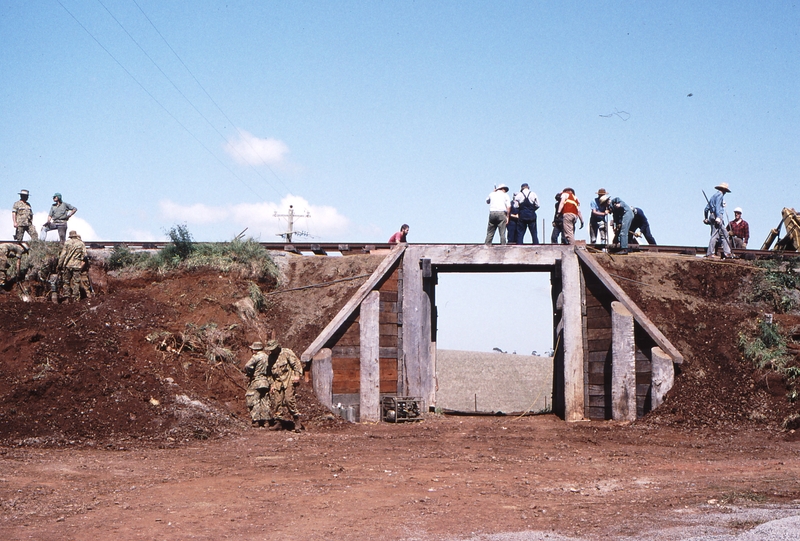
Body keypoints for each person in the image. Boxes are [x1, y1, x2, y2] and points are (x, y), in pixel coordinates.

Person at [267, 339, 304, 431]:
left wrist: (297, 375)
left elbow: (296, 364)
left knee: (289, 400)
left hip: (288, 380)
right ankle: (278, 422)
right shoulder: (270, 358)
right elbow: (269, 373)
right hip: (278, 382)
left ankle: (296, 421)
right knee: (277, 402)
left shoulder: (287, 353)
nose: (272, 351)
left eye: (273, 349)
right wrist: (272, 385)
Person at [243, 341, 274, 427]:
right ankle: (266, 421)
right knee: (265, 400)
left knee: (253, 399)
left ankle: (256, 420)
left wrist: (250, 373)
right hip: (266, 381)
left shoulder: (256, 357)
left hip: (257, 381)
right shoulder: (268, 357)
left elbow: (247, 366)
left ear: (255, 350)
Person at [704, 182, 733, 259]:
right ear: (724, 190)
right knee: (718, 234)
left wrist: (706, 218)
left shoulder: (713, 196)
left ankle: (726, 253)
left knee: (722, 234)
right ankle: (711, 253)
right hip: (717, 216)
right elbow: (717, 207)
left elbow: (706, 209)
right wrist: (718, 217)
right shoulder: (720, 195)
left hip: (712, 216)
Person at [57, 230, 87, 302]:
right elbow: (85, 255)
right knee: (76, 282)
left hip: (67, 265)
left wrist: (59, 265)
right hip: (77, 265)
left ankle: (67, 297)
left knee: (66, 282)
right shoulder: (81, 243)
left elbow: (63, 255)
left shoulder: (67, 243)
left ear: (70, 236)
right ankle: (75, 298)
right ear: (76, 235)